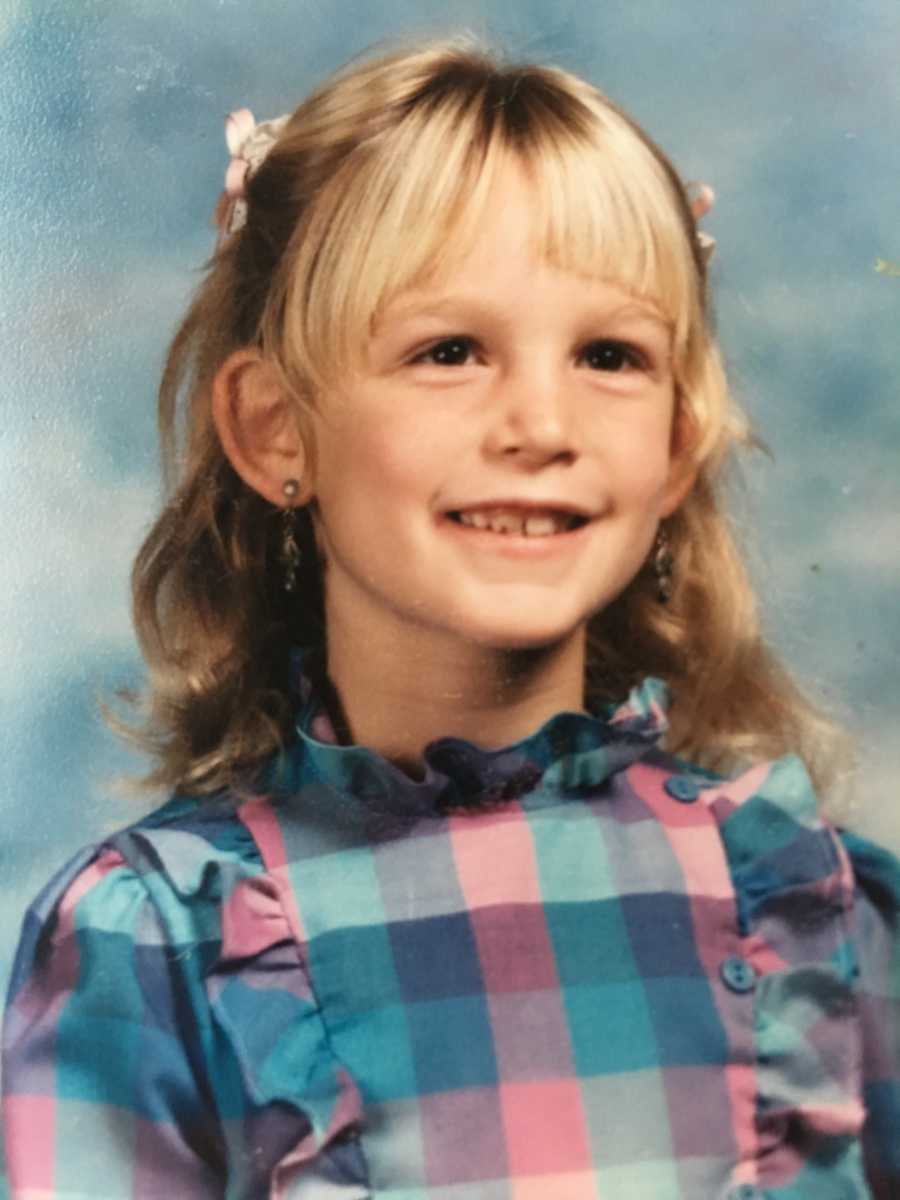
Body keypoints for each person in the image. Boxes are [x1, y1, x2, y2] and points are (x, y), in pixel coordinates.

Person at [3, 36, 898, 1200]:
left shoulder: (815, 907)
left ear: (675, 445)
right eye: (451, 350)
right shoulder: (160, 938)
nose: (541, 421)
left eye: (610, 355)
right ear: (278, 428)